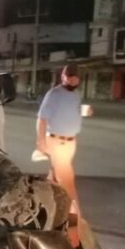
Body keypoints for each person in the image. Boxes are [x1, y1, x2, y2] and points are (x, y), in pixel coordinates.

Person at [36, 63, 84, 213]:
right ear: (63, 77)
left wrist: (84, 112)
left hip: (71, 142)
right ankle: (75, 218)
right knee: (67, 180)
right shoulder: (54, 94)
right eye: (69, 78)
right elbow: (42, 119)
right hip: (58, 142)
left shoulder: (76, 95)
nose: (72, 81)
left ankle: (43, 207)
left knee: (54, 177)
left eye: (75, 79)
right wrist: (41, 141)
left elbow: (72, 112)